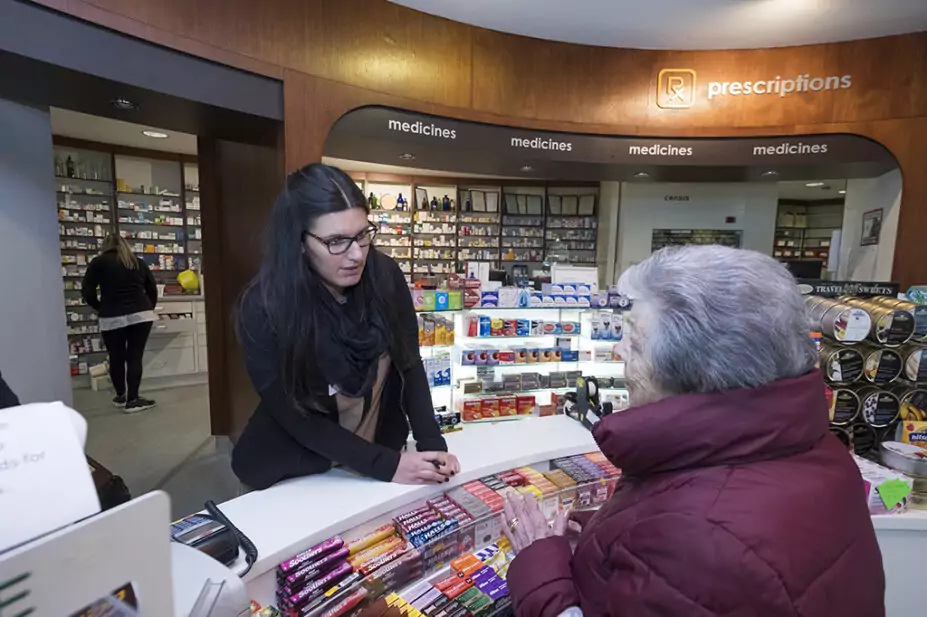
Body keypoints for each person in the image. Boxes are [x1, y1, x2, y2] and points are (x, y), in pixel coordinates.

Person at [503, 245, 885, 617]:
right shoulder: (816, 451)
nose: (618, 351)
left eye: (634, 341)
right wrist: (606, 539)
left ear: (694, 375)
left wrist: (539, 570)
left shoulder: (696, 542)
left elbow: (704, 549)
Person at [232, 163, 459, 490]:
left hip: (377, 457)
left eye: (362, 235)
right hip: (296, 467)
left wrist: (431, 442)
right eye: (336, 241)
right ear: (298, 241)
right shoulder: (263, 306)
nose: (356, 255)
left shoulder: (385, 276)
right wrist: (386, 465)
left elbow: (409, 364)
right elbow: (295, 415)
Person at [82, 234, 158, 413]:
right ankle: (133, 400)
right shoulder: (137, 262)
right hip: (141, 314)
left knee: (116, 357)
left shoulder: (98, 263)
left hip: (111, 315)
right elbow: (152, 289)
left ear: (105, 246)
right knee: (134, 356)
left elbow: (87, 292)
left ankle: (121, 396)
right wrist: (148, 308)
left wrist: (101, 307)